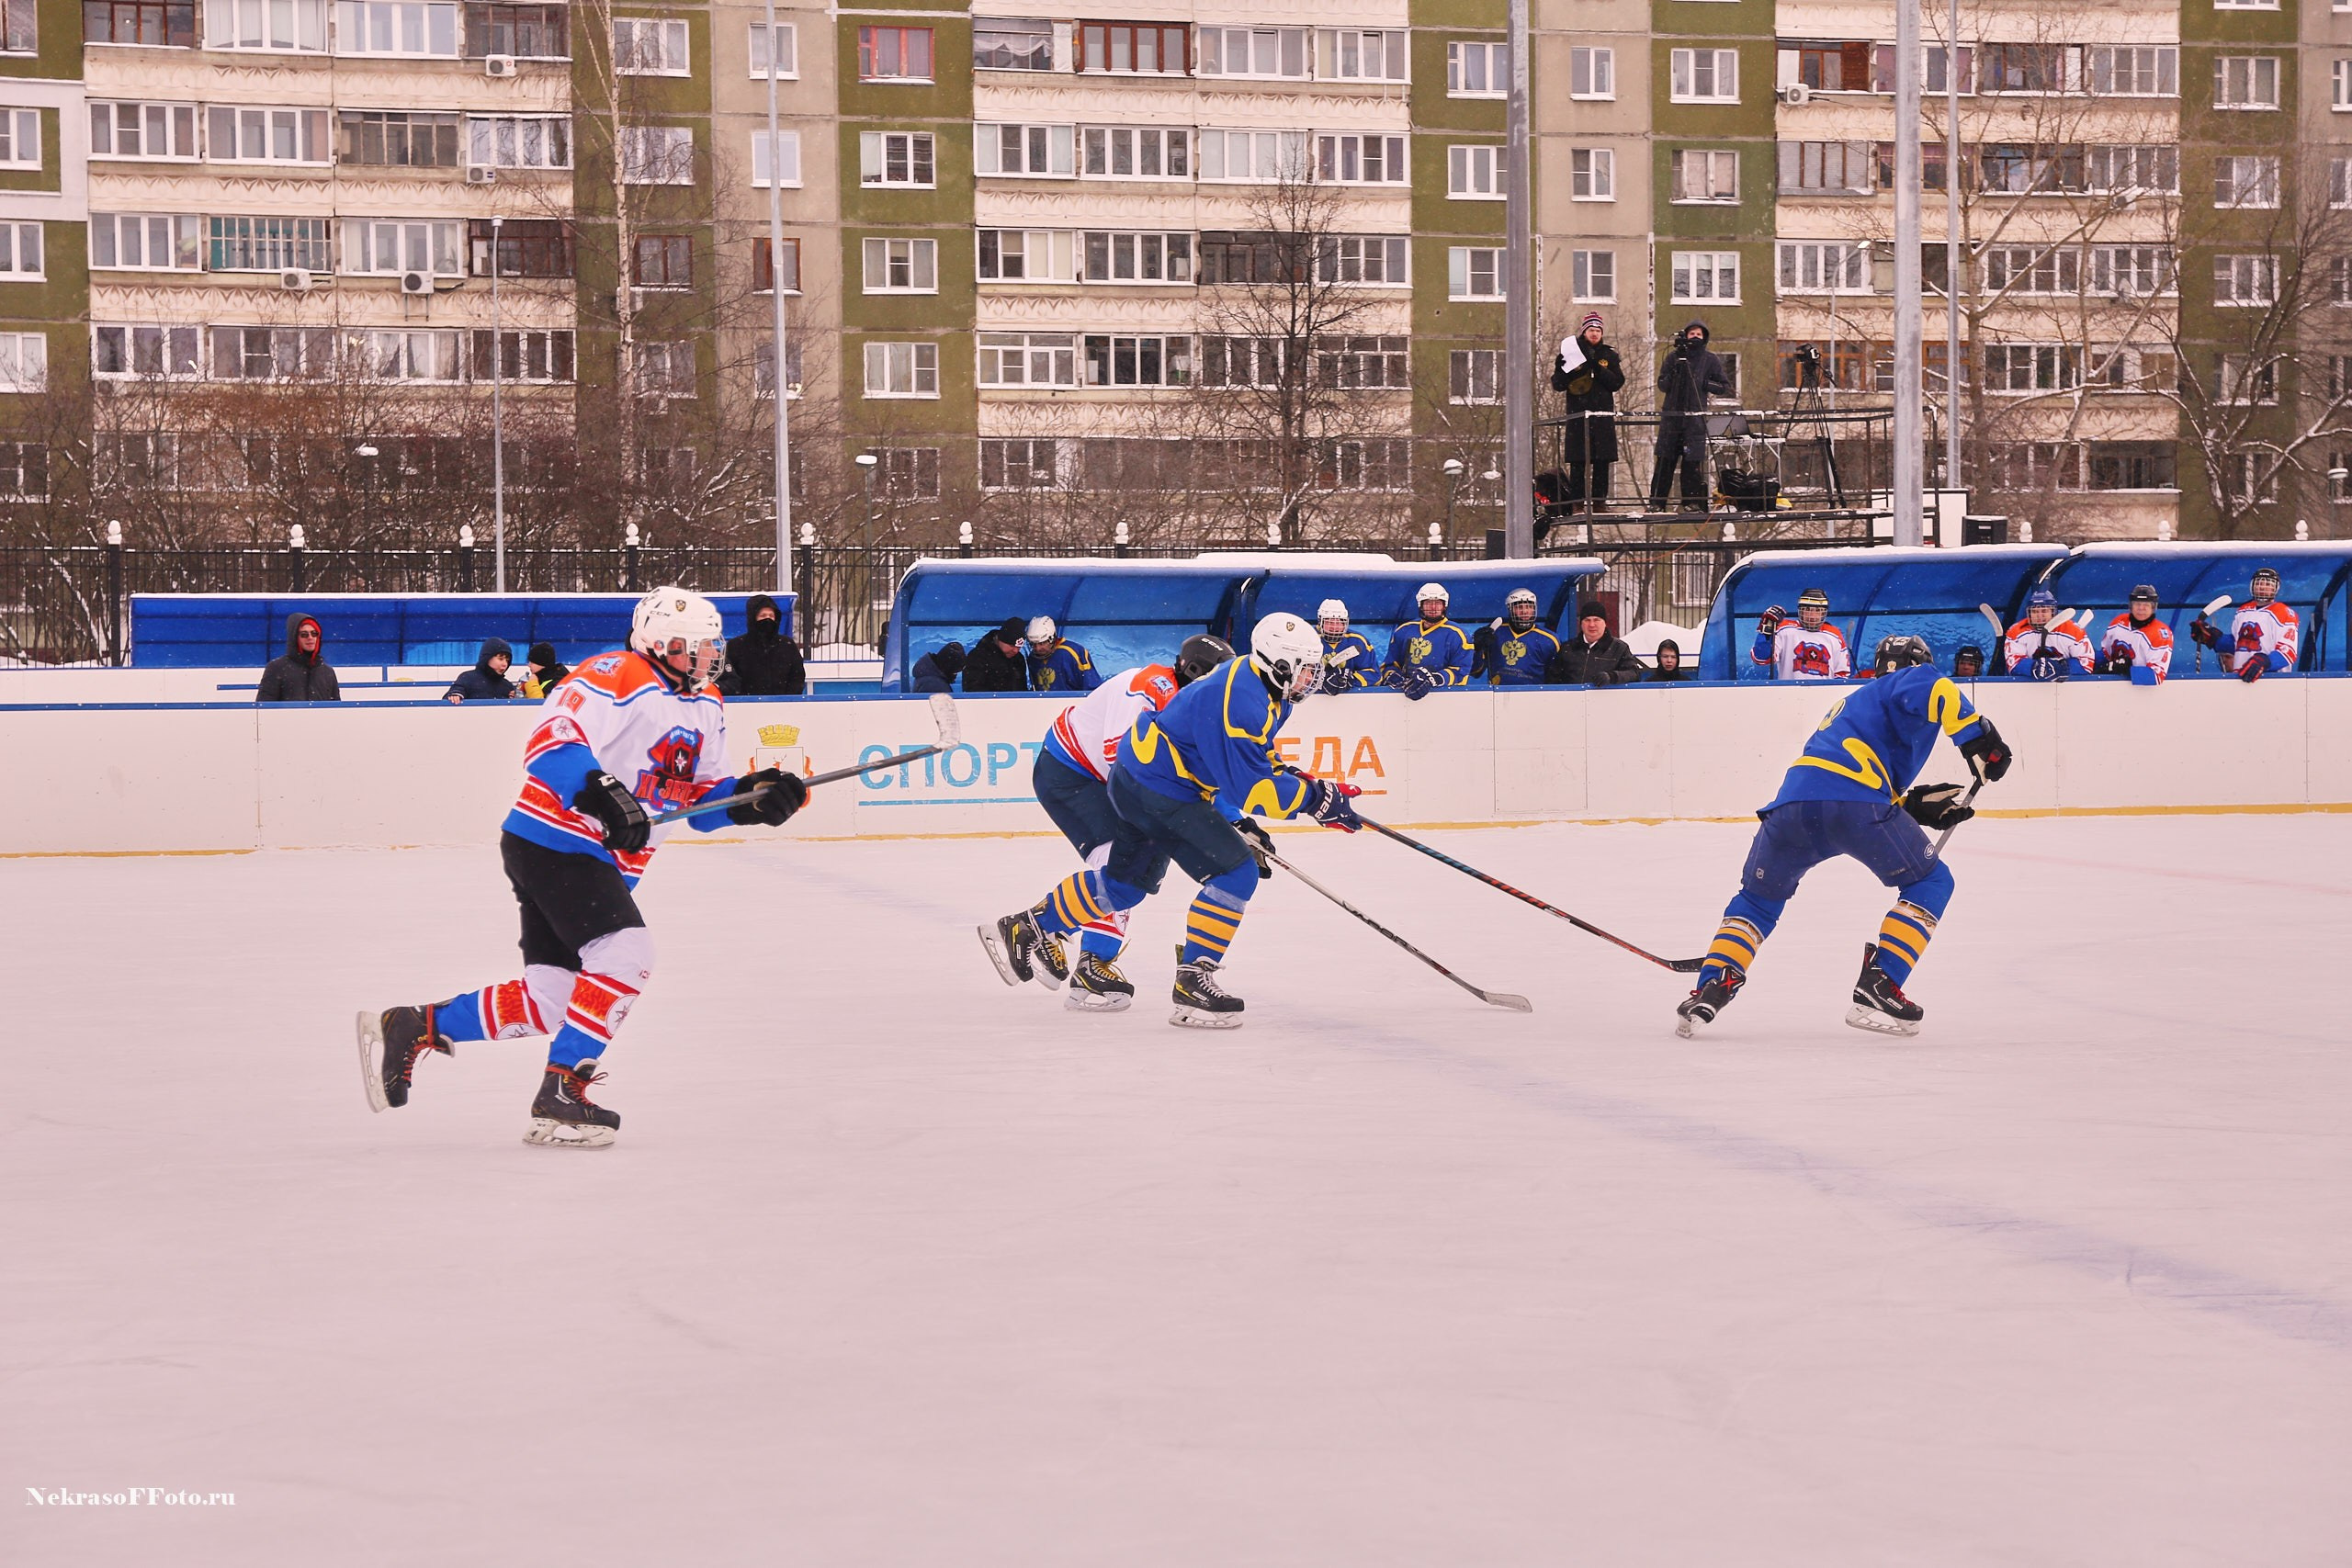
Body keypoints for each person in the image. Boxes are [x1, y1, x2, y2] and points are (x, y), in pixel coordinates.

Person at [356, 588, 808, 1147]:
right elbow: (550, 740)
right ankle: (562, 1093)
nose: (701, 658)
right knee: (626, 955)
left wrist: (754, 797)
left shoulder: (710, 702)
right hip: (556, 839)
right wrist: (598, 790)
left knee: (554, 998)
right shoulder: (617, 672)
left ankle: (414, 1025)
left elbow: (700, 801)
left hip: (600, 858)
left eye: (707, 647)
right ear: (652, 642)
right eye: (685, 647)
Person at [979, 613, 1363, 1029]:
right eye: (1306, 669)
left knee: (1123, 886)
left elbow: (1255, 761)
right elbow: (1250, 787)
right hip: (1154, 789)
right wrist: (1316, 801)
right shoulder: (1242, 699)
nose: (1312, 678)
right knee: (1235, 874)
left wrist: (1305, 791)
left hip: (1140, 781)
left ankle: (1026, 927)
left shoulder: (1266, 691)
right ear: (1280, 664)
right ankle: (1192, 982)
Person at [1676, 635, 2014, 1040]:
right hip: (1855, 805)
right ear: (1916, 662)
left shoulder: (1860, 700)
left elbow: (1839, 773)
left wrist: (1909, 807)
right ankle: (1881, 980)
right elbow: (1935, 687)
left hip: (1792, 807)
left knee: (1757, 901)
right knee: (1931, 881)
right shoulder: (1910, 680)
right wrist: (1979, 738)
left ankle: (1713, 984)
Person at [1015, 634, 1235, 1010]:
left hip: (1107, 779)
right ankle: (1061, 943)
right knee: (1120, 863)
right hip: (1070, 774)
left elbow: (1208, 775)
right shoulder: (1145, 688)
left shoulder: (1194, 708)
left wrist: (1237, 822)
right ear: (1196, 674)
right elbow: (1125, 763)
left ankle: (1056, 930)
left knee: (1138, 866)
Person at [1650, 320, 1731, 512]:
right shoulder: (1672, 358)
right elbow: (1662, 385)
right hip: (1672, 419)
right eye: (1692, 334)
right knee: (1665, 463)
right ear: (1685, 336)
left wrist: (1704, 383)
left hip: (1694, 421)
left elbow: (1723, 387)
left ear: (1704, 338)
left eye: (1699, 334)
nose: (1695, 337)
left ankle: (1691, 502)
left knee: (1692, 464)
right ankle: (1657, 503)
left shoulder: (1709, 359)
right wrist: (1676, 371)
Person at [1554, 312, 1625, 511]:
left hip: (1602, 416)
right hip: (1578, 416)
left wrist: (1598, 368)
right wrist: (1564, 370)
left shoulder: (1609, 355)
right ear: (1584, 331)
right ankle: (1577, 503)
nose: (1595, 334)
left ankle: (1599, 502)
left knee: (1602, 461)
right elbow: (1558, 384)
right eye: (1591, 330)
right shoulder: (1569, 353)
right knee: (1578, 462)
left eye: (1598, 330)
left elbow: (1617, 382)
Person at [2191, 566, 2300, 681]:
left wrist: (2265, 662)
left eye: (2268, 585)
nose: (2262, 587)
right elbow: (2239, 645)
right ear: (2252, 586)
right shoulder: (2243, 611)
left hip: (2271, 680)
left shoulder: (2284, 613)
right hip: (2240, 678)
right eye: (2259, 584)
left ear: (2276, 588)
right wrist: (2213, 638)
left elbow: (2288, 652)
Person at [1380, 582, 1475, 698]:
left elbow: (1461, 670)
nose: (1433, 608)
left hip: (1448, 698)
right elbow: (1390, 664)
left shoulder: (1458, 634)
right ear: (1420, 605)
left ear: (1445, 606)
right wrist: (1392, 675)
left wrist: (1435, 679)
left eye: (1438, 603)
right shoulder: (1404, 630)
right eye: (1428, 603)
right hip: (1405, 698)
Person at [1751, 588, 1850, 680]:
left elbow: (1842, 675)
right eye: (1807, 610)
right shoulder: (1785, 629)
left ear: (1824, 612)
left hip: (1826, 697)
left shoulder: (1834, 634)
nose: (1812, 615)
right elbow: (1761, 658)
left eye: (1818, 610)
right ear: (1800, 610)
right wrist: (1766, 631)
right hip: (1789, 695)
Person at [721, 592, 806, 696]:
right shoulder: (736, 646)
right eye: (762, 616)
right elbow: (730, 680)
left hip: (783, 706)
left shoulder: (787, 645)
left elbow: (797, 677)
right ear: (753, 618)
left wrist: (788, 699)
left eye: (771, 616)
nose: (768, 619)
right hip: (745, 706)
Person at [1474, 588, 1562, 685]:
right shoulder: (1495, 631)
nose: (1525, 611)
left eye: (1529, 607)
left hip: (1535, 696)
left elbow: (1558, 678)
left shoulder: (1549, 639)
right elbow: (1475, 672)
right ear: (1510, 609)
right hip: (1497, 696)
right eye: (1519, 607)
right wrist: (1477, 649)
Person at [1544, 600, 1643, 686]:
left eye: (1596, 620)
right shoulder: (1567, 648)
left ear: (1605, 623)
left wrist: (1611, 677)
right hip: (1571, 703)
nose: (1592, 625)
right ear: (1581, 623)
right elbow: (1552, 679)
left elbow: (1634, 673)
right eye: (1587, 620)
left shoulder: (1619, 648)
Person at [2002, 588, 2094, 680]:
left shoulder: (2073, 631)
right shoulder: (2017, 631)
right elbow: (2014, 664)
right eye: (2035, 611)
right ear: (2029, 613)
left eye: (2044, 611)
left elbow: (2086, 664)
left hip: (2068, 687)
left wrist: (2062, 667)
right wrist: (2035, 667)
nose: (2039, 615)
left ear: (2053, 612)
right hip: (2028, 688)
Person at [255, 613, 340, 704]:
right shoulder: (276, 668)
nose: (310, 638)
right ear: (295, 638)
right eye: (304, 634)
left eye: (314, 633)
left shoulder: (327, 672)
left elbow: (336, 710)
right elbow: (263, 709)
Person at [2096, 584, 2173, 683]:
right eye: (2137, 604)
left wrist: (2127, 670)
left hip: (2143, 695)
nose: (2141, 608)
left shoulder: (2160, 634)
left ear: (2153, 608)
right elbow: (2105, 654)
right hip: (2113, 688)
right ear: (2131, 606)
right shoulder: (2118, 622)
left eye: (2146, 605)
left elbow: (2156, 676)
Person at [1314, 600, 1378, 694]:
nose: (1335, 627)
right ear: (1320, 622)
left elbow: (1375, 674)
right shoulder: (1309, 639)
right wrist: (1320, 680)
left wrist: (1351, 680)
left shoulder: (1357, 641)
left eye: (1340, 622)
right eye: (1330, 622)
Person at [1024, 615, 1101, 693]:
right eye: (1033, 644)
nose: (1037, 648)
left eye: (1042, 643)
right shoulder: (1033, 659)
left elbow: (1092, 687)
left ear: (1052, 638)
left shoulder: (1073, 652)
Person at [961, 616, 1031, 692]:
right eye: (1011, 646)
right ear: (1000, 640)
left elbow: (1022, 689)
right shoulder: (977, 657)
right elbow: (972, 689)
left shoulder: (1018, 659)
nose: (1016, 651)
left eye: (1019, 647)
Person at [445, 637, 518, 703]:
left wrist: (515, 699)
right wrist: (455, 695)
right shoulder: (468, 678)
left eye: (507, 660)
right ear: (487, 658)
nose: (505, 664)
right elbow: (449, 698)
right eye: (500, 659)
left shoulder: (507, 686)